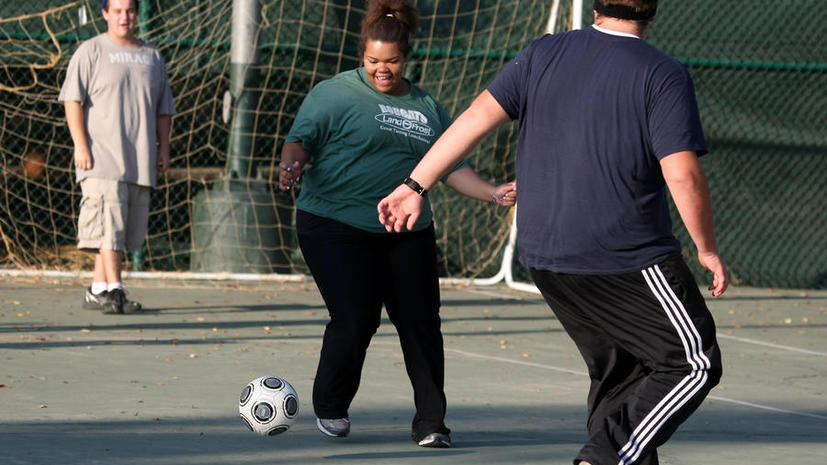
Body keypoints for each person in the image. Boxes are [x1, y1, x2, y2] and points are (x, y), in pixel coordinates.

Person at [378, 1, 726, 463]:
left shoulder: (543, 53)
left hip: (546, 257)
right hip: (625, 257)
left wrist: (414, 184)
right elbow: (682, 174)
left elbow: (472, 121)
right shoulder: (661, 73)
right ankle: (600, 458)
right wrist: (707, 248)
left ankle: (608, 452)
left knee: (620, 374)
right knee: (692, 363)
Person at [278, 0, 516, 448]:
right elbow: (299, 143)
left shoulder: (427, 106)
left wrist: (492, 191)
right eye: (372, 62)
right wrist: (291, 166)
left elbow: (450, 166)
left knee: (421, 322)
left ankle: (431, 423)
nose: (381, 70)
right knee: (355, 319)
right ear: (361, 56)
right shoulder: (333, 94)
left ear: (406, 58)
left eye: (391, 62)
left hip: (406, 231)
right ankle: (331, 404)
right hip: (333, 225)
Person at [59, 0, 175, 315]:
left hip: (139, 159)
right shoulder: (90, 51)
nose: (125, 17)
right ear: (105, 13)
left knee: (119, 231)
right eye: (118, 10)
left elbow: (164, 109)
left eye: (130, 11)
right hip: (101, 158)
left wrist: (163, 149)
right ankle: (116, 291)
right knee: (108, 225)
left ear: (136, 14)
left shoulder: (152, 56)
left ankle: (97, 289)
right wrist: (81, 145)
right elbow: (72, 99)